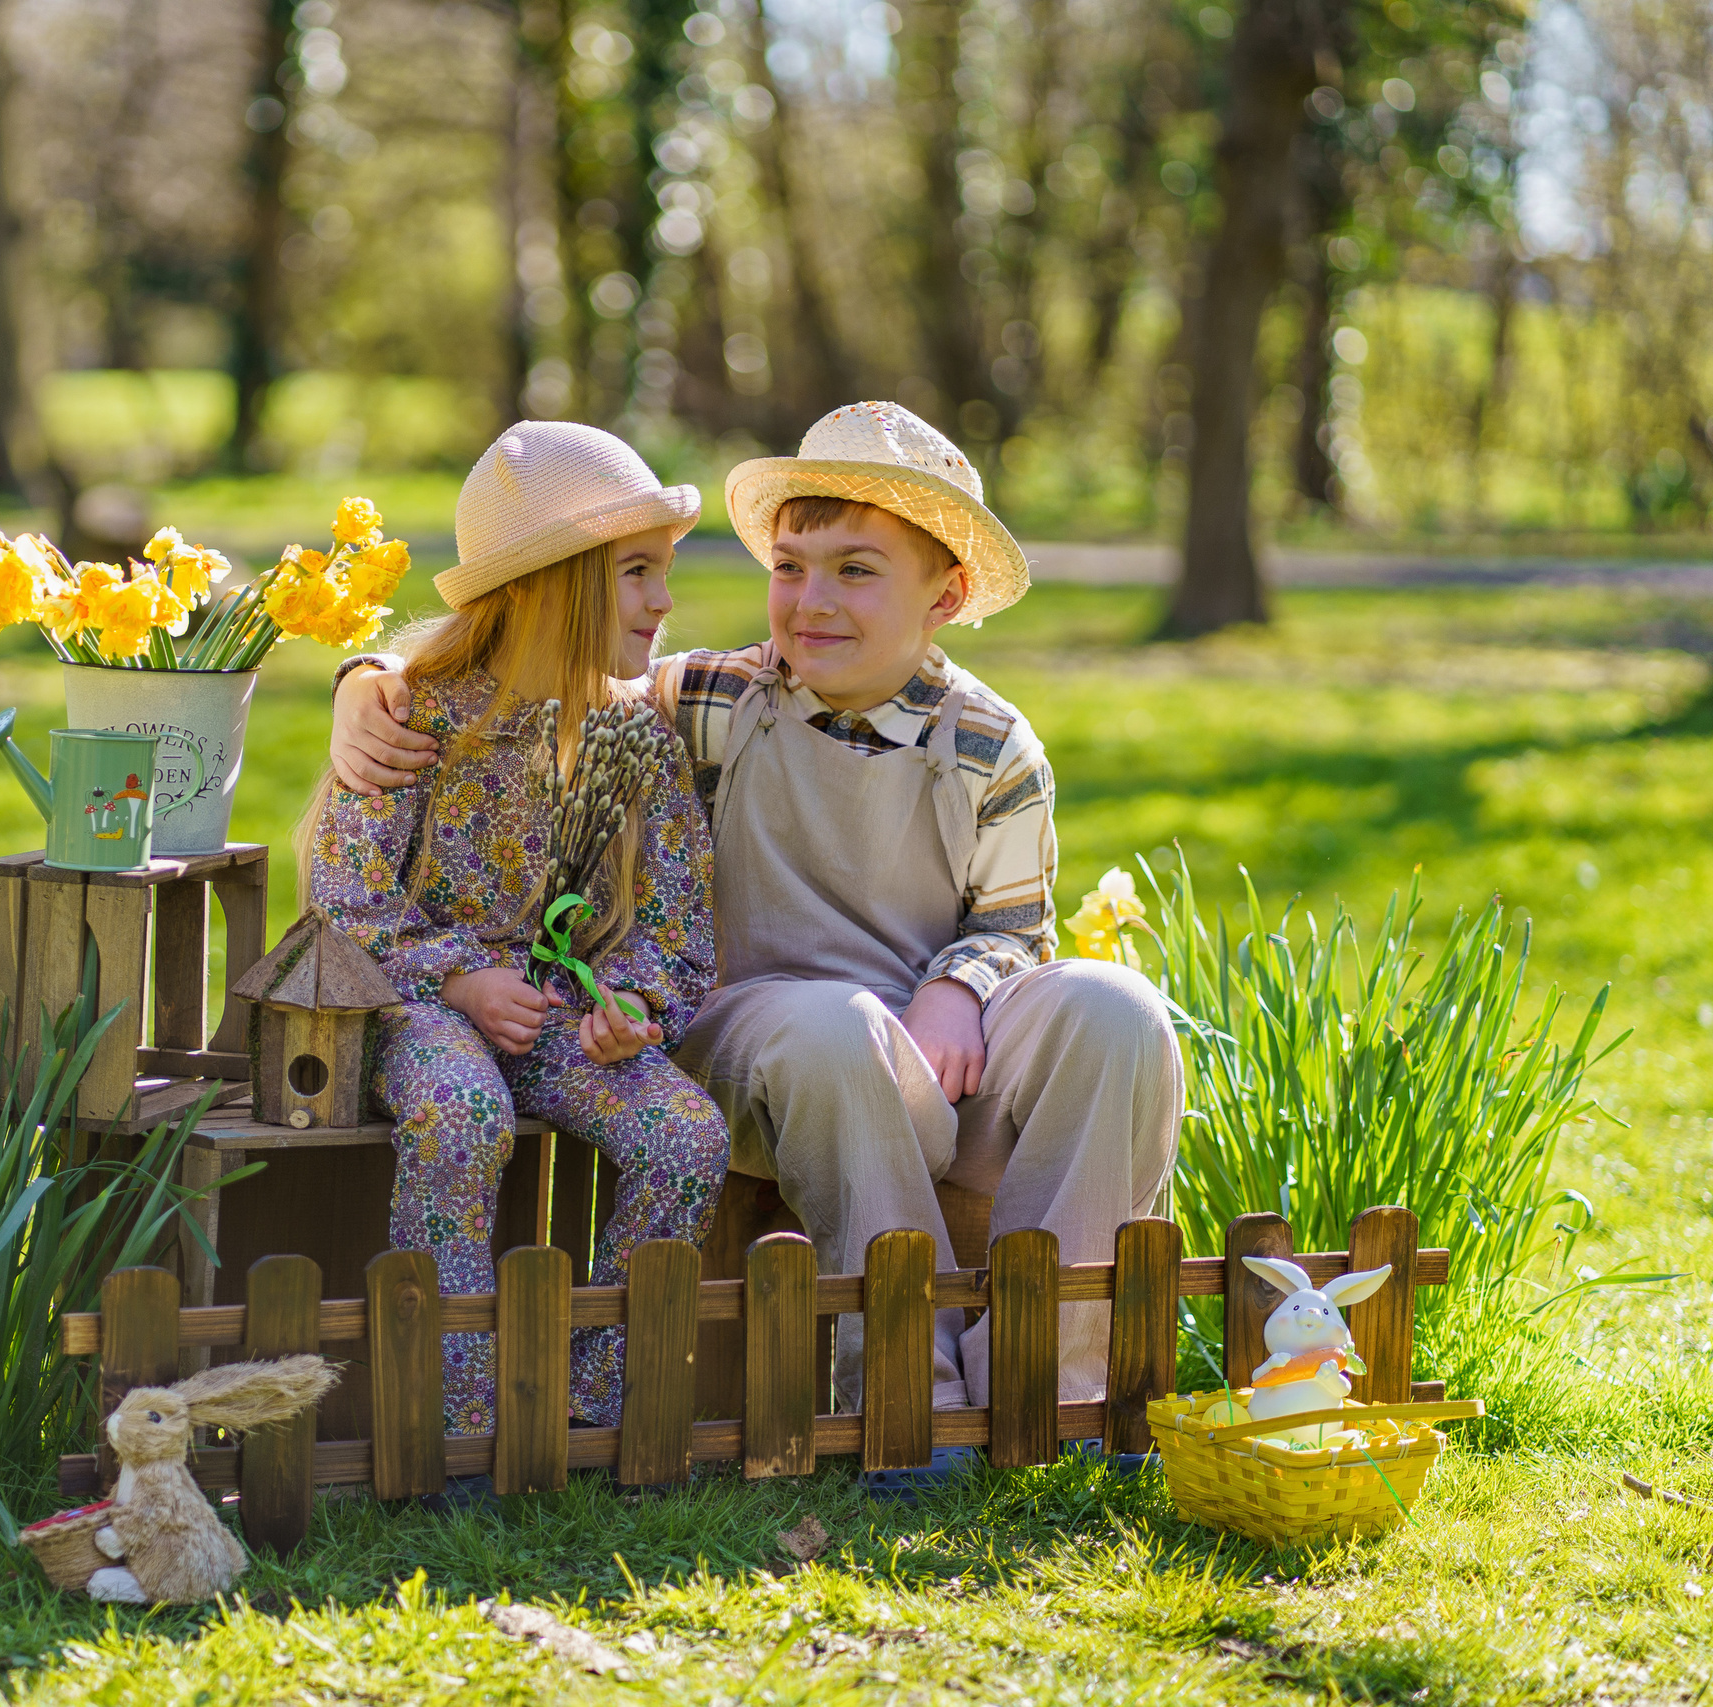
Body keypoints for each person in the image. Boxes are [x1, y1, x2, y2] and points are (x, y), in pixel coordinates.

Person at [331, 402, 1183, 1479]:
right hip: (759, 1032)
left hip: (932, 1041)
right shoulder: (707, 698)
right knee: (837, 1028)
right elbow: (525, 652)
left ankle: (1058, 1385)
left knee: (1120, 1012)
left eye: (856, 571)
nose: (810, 601)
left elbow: (1013, 921)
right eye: (790, 566)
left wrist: (962, 986)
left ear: (946, 596)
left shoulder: (990, 747)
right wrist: (366, 676)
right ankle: (905, 1400)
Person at [304, 419, 732, 1446]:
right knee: (461, 1112)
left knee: (687, 1139)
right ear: (550, 583)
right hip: (409, 1008)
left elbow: (675, 926)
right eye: (635, 573)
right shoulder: (413, 717)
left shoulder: (634, 736)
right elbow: (344, 907)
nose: (662, 601)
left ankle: (586, 1399)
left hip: (556, 1015)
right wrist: (456, 982)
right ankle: (448, 1411)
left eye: (663, 573)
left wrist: (628, 1007)